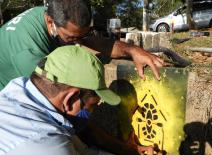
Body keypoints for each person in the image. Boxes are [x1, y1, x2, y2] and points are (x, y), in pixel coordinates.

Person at [0, 45, 163, 155]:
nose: (92, 113)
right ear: (71, 100)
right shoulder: (41, 144)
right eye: (93, 105)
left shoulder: (22, 96)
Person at [0, 0, 164, 90]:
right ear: (51, 23)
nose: (77, 42)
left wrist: (132, 50)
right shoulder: (28, 51)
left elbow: (88, 42)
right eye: (71, 38)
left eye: (82, 35)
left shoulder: (56, 13)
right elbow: (58, 99)